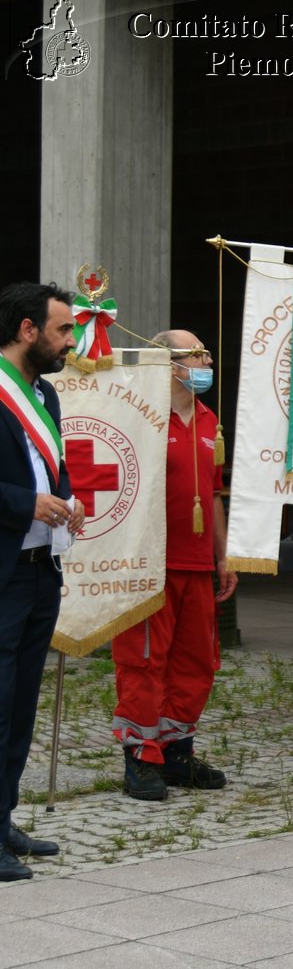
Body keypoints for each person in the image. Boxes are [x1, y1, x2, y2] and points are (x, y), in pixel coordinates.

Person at [111, 330, 239, 801]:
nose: (206, 360)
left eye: (206, 351)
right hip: (151, 560)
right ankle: (141, 755)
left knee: (197, 660)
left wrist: (223, 556)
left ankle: (175, 750)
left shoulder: (209, 420)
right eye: (196, 354)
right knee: (144, 659)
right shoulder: (139, 416)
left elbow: (215, 495)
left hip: (196, 563)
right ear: (166, 363)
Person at [0, 282, 81, 881]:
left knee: (21, 705)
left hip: (38, 572)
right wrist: (26, 503)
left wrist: (68, 502)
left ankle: (3, 817)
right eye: (61, 331)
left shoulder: (44, 394)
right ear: (27, 329)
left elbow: (56, 465)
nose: (69, 344)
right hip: (2, 573)